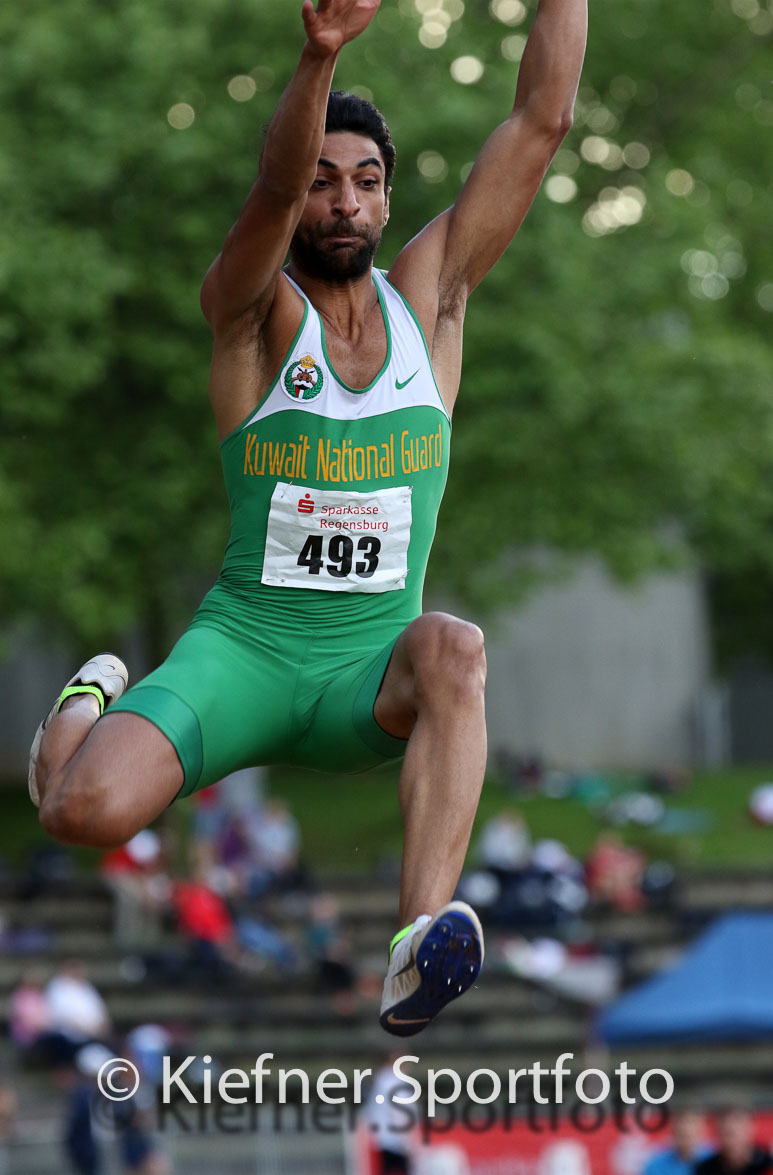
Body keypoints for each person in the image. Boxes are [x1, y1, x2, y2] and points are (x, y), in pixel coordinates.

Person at [28, 0, 587, 1035]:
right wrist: (316, 55)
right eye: (325, 182)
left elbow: (541, 118)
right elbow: (272, 185)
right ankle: (84, 699)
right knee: (80, 814)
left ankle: (418, 939)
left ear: (387, 199)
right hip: (242, 652)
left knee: (455, 646)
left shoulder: (434, 301)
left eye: (364, 182)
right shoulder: (251, 315)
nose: (341, 201)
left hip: (363, 671)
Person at [695, 1109, 773, 1175]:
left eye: (733, 1134)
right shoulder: (705, 1169)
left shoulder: (767, 1165)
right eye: (726, 1134)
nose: (731, 1141)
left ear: (751, 1129)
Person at [642, 1109, 711, 1175]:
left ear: (702, 1130)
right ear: (673, 1131)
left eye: (689, 1135)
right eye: (681, 1135)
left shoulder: (713, 1161)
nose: (686, 1128)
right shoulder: (657, 1165)